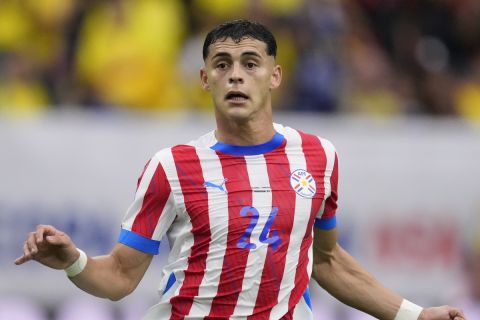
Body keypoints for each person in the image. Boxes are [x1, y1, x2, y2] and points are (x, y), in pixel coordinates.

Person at [15, 19, 467, 320]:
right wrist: (72, 262)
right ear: (204, 79)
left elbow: (325, 259)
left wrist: (414, 314)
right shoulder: (171, 166)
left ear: (274, 76)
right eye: (222, 65)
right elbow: (119, 277)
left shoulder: (318, 157)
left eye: (250, 64)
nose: (236, 76)